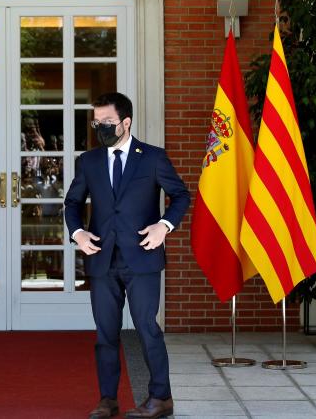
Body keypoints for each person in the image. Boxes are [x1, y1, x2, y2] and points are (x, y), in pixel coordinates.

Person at [64, 92, 190, 419]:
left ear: (126, 122)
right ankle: (108, 400)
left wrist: (164, 225)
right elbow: (72, 203)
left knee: (147, 328)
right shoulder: (88, 161)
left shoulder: (152, 158)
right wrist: (77, 233)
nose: (101, 128)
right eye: (97, 122)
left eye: (107, 122)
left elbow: (180, 195)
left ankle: (161, 398)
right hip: (101, 260)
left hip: (143, 258)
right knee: (106, 334)